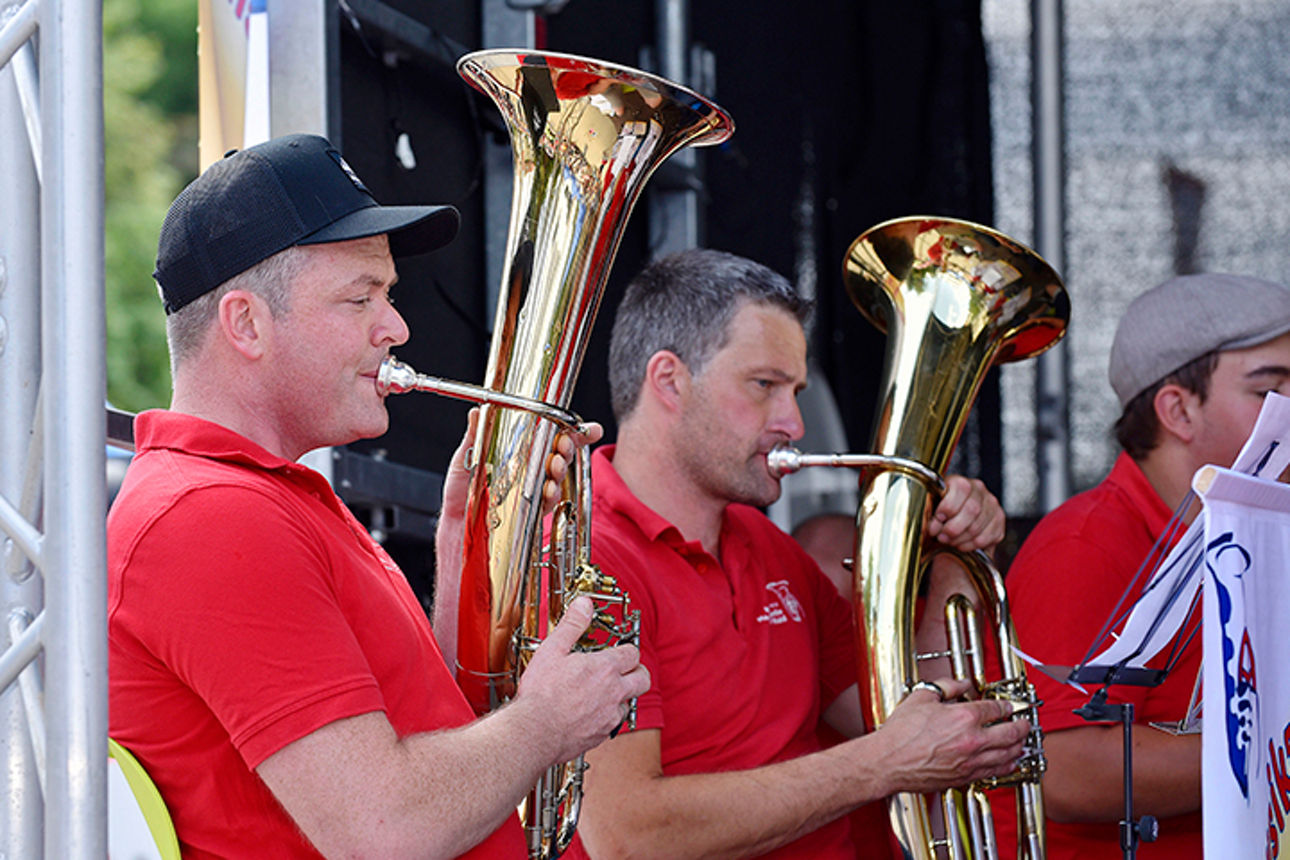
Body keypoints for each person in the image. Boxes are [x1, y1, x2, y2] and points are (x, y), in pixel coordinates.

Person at [107, 133, 648, 860]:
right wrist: (545, 723)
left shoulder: (265, 496)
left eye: (387, 296)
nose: (395, 327)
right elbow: (381, 830)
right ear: (245, 324)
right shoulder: (210, 513)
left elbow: (428, 741)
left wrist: (463, 539)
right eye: (360, 298)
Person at [565, 248, 1032, 860]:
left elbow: (906, 719)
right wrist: (879, 765)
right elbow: (628, 836)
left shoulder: (770, 548)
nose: (793, 422)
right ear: (669, 380)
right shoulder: (587, 558)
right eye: (764, 386)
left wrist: (954, 556)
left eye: (796, 391)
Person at [990, 273, 1290, 859]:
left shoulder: (1262, 527)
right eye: (1268, 392)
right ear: (1177, 410)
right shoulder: (1083, 546)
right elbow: (1065, 770)